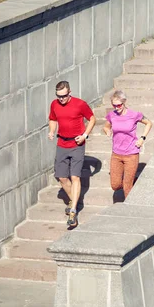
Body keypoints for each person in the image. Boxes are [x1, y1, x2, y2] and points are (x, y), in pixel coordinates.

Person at [48, 81, 96, 227]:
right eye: (59, 96)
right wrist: (51, 130)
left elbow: (92, 118)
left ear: (70, 92)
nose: (61, 99)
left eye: (64, 96)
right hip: (62, 143)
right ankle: (74, 198)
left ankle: (73, 210)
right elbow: (53, 118)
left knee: (75, 176)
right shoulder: (54, 104)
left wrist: (85, 135)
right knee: (62, 177)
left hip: (77, 144)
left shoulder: (80, 104)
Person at [102, 90, 152, 199]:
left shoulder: (134, 115)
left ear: (124, 103)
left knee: (127, 186)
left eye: (119, 105)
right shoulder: (112, 115)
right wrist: (107, 131)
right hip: (116, 153)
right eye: (114, 105)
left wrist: (142, 138)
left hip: (131, 153)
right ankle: (135, 181)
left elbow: (149, 123)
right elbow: (106, 126)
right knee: (115, 185)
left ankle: (129, 210)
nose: (116, 108)